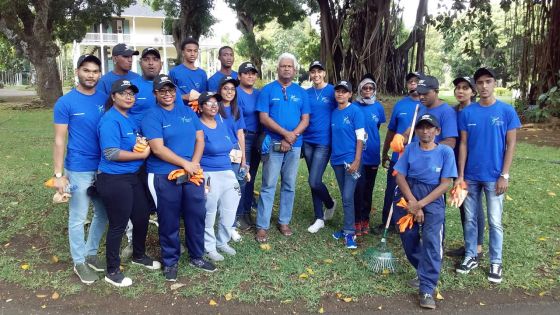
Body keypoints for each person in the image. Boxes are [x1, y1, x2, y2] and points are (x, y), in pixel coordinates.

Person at [142, 74, 216, 281]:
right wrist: (186, 164)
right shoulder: (152, 116)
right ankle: (170, 261)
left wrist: (193, 164)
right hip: (164, 173)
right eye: (162, 91)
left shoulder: (187, 111)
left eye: (171, 90)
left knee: (196, 212)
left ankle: (197, 256)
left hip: (192, 171)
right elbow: (157, 148)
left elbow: (200, 139)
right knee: (169, 218)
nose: (167, 94)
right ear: (155, 93)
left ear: (176, 91)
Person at [455, 67, 521, 284]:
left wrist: (505, 175)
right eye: (480, 82)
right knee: (471, 219)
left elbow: (511, 145)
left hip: (494, 177)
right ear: (476, 86)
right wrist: (461, 175)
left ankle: (496, 261)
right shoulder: (467, 113)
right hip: (471, 176)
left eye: (488, 82)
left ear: (494, 84)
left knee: (494, 221)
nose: (484, 86)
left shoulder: (506, 111)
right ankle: (471, 255)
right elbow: (463, 144)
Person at [96, 79, 161, 287]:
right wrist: (141, 156)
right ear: (113, 97)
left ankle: (139, 255)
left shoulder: (129, 118)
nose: (128, 97)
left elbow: (138, 142)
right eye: (123, 93)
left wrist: (143, 146)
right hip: (114, 178)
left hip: (132, 177)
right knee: (118, 224)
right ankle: (112, 270)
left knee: (141, 216)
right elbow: (111, 153)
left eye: (131, 94)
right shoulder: (110, 120)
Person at [52, 55, 108, 284]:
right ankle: (79, 261)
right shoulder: (65, 103)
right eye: (86, 70)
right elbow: (59, 140)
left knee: (103, 213)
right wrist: (58, 176)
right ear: (77, 72)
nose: (91, 75)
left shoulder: (106, 99)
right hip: (78, 168)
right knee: (78, 216)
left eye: (95, 71)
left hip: (104, 167)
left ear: (100, 74)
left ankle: (90, 252)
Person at [393, 114, 457, 310]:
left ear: (437, 131)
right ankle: (424, 270)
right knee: (408, 236)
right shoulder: (411, 148)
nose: (425, 131)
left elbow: (446, 184)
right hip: (409, 194)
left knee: (432, 240)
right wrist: (412, 202)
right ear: (417, 130)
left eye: (430, 128)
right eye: (421, 127)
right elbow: (400, 177)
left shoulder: (445, 152)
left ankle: (427, 287)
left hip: (433, 198)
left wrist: (420, 205)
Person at [255, 53, 310, 243]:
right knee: (268, 185)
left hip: (294, 146)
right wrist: (285, 134)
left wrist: (291, 136)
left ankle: (284, 221)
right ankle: (262, 226)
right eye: (283, 66)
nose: (286, 69)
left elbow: (305, 119)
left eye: (290, 66)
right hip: (273, 143)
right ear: (277, 69)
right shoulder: (268, 90)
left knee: (289, 184)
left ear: (295, 70)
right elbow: (263, 118)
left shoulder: (302, 93)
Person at [198, 92, 242, 262]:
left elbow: (231, 145)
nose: (213, 105)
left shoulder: (221, 123)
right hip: (208, 173)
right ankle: (208, 247)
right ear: (201, 107)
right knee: (210, 211)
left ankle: (222, 241)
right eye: (208, 103)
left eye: (215, 102)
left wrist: (242, 164)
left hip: (227, 171)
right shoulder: (198, 126)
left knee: (230, 208)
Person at [446, 76, 485, 258]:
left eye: (465, 88)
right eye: (458, 88)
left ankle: (477, 246)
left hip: (472, 164)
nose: (460, 91)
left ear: (473, 91)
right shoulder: (452, 111)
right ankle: (469, 242)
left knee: (474, 205)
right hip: (455, 163)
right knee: (463, 203)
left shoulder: (477, 111)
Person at [381, 72, 424, 232]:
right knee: (391, 189)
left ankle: (409, 222)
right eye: (410, 82)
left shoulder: (426, 106)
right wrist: (385, 152)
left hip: (419, 158)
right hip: (398, 157)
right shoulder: (400, 105)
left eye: (417, 82)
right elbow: (391, 131)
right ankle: (387, 222)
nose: (413, 85)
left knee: (414, 191)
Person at [302, 61, 337, 234]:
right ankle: (319, 218)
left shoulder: (332, 91)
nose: (316, 75)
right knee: (313, 181)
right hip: (307, 140)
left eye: (319, 71)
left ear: (324, 73)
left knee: (314, 180)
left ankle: (330, 203)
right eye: (313, 72)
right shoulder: (306, 93)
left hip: (324, 141)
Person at [330, 80, 365, 249]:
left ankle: (350, 232)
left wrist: (357, 160)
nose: (340, 94)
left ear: (350, 94)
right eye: (338, 91)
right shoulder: (334, 112)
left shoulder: (355, 112)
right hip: (337, 160)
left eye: (344, 91)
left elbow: (361, 138)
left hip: (351, 160)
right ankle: (346, 228)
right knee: (345, 196)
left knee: (347, 196)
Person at [352, 74, 386, 236]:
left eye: (370, 88)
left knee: (368, 189)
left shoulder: (378, 107)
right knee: (358, 188)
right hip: (358, 154)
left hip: (372, 153)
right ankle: (356, 219)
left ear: (374, 90)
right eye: (364, 87)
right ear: (360, 89)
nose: (367, 90)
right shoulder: (353, 106)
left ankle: (365, 219)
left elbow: (377, 126)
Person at [235, 62, 261, 233]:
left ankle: (246, 211)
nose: (250, 76)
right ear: (239, 76)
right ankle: (237, 215)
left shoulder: (259, 93)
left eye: (253, 73)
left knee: (251, 177)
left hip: (258, 138)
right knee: (242, 176)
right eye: (246, 73)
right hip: (243, 137)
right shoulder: (235, 92)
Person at [415, 75, 458, 149]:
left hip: (434, 159)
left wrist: (426, 148)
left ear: (436, 91)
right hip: (416, 158)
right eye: (419, 93)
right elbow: (411, 131)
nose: (421, 97)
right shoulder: (420, 108)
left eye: (425, 93)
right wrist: (402, 137)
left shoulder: (447, 112)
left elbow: (450, 142)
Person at [169, 37, 208, 105]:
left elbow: (204, 96)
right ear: (183, 53)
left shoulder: (202, 73)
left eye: (195, 51)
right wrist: (184, 97)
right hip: (180, 112)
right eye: (189, 51)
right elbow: (169, 95)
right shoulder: (174, 72)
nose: (192, 54)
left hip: (197, 113)